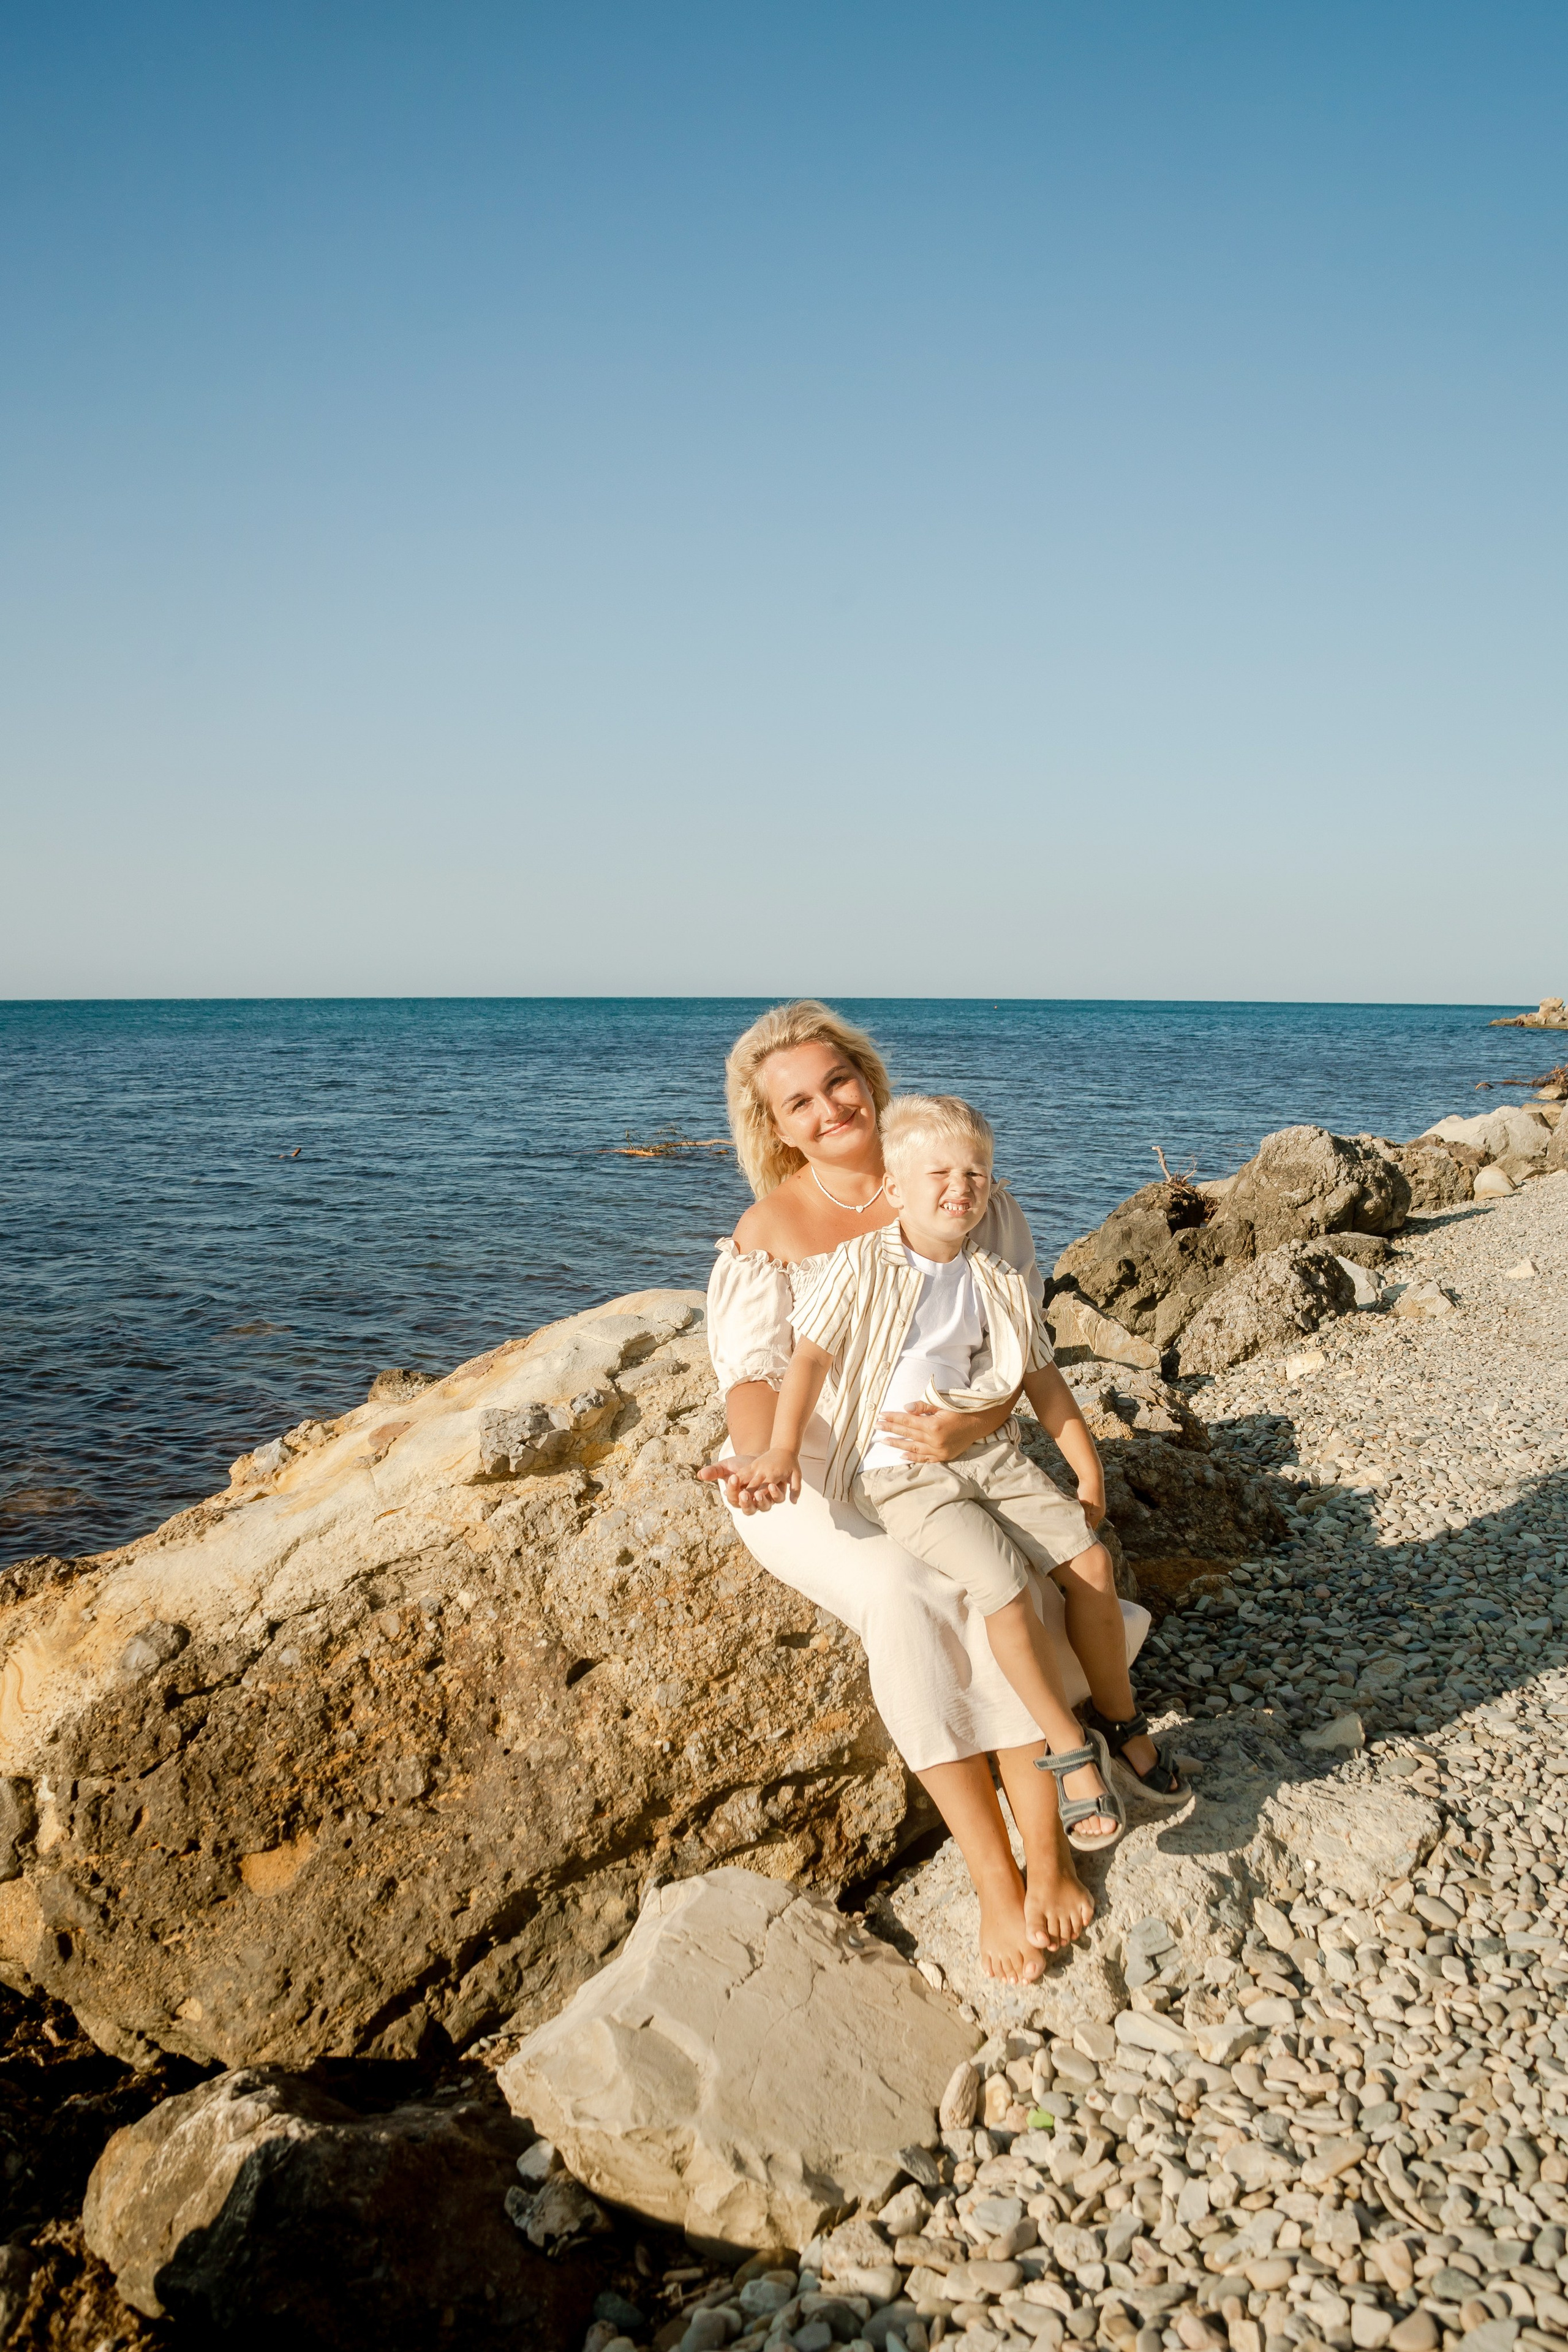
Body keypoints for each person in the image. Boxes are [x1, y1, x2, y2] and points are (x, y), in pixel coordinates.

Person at [698, 1000, 1172, 1982]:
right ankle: (993, 1879)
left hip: (948, 1453)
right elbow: (753, 1374)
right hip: (821, 1473)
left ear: (869, 1077)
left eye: (839, 1080)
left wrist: (979, 1426)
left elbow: (1017, 1357)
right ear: (776, 1126)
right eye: (800, 1102)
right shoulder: (772, 1225)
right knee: (917, 1597)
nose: (830, 1107)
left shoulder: (966, 1193)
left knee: (1007, 1585)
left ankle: (1050, 1848)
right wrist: (766, 1460)